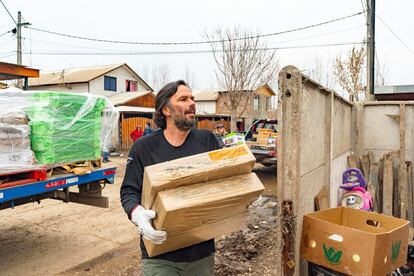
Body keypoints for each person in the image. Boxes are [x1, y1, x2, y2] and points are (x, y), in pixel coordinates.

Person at [120, 80, 220, 275]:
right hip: (160, 255)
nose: (192, 103)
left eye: (193, 98)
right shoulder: (144, 147)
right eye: (183, 99)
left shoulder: (207, 140)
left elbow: (222, 181)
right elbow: (129, 191)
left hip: (201, 252)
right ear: (166, 109)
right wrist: (137, 214)